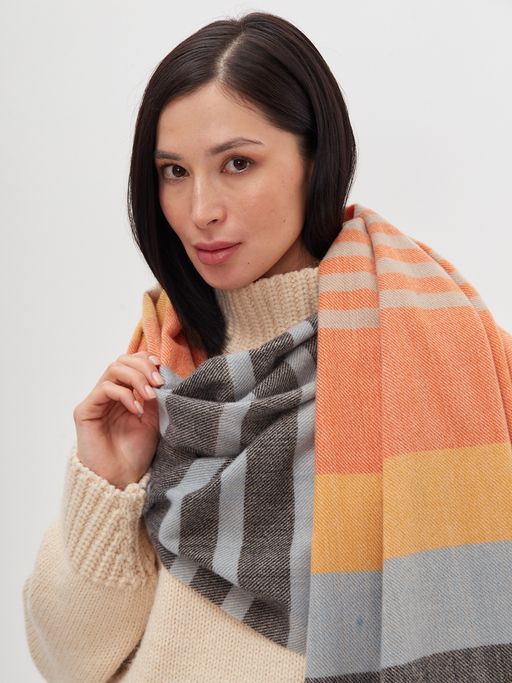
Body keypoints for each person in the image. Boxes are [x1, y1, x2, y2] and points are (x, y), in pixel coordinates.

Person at [22, 10, 512, 683]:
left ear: (315, 158)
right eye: (174, 171)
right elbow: (66, 660)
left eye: (238, 163)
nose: (201, 209)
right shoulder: (162, 367)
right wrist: (109, 481)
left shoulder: (442, 357)